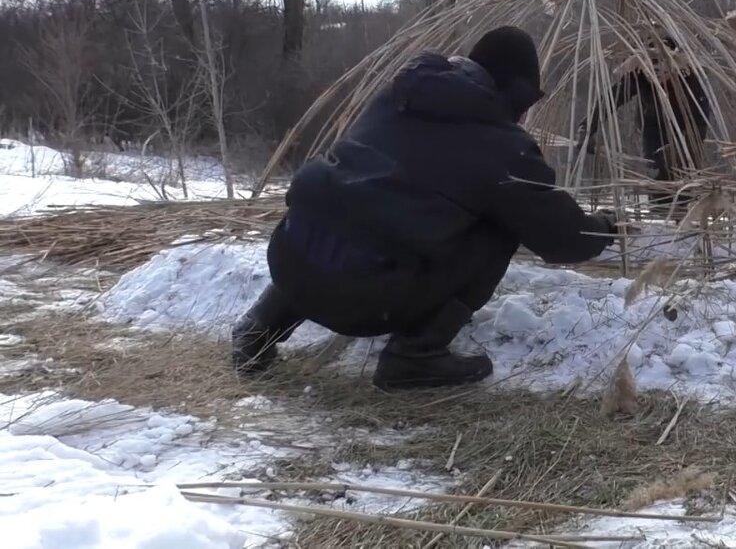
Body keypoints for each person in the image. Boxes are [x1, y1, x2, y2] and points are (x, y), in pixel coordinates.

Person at [232, 26, 618, 391]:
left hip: (286, 260)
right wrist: (605, 226)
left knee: (338, 207)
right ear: (514, 94)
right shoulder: (503, 147)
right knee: (499, 228)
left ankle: (259, 327)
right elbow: (563, 239)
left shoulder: (398, 95)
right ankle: (415, 355)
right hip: (362, 301)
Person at [574, 33, 711, 213]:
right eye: (651, 64)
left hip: (686, 127)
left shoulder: (688, 77)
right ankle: (660, 214)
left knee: (683, 175)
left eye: (661, 63)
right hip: (653, 125)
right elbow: (611, 99)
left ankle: (685, 215)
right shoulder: (640, 75)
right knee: (656, 171)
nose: (657, 72)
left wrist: (686, 148)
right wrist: (587, 128)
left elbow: (701, 117)